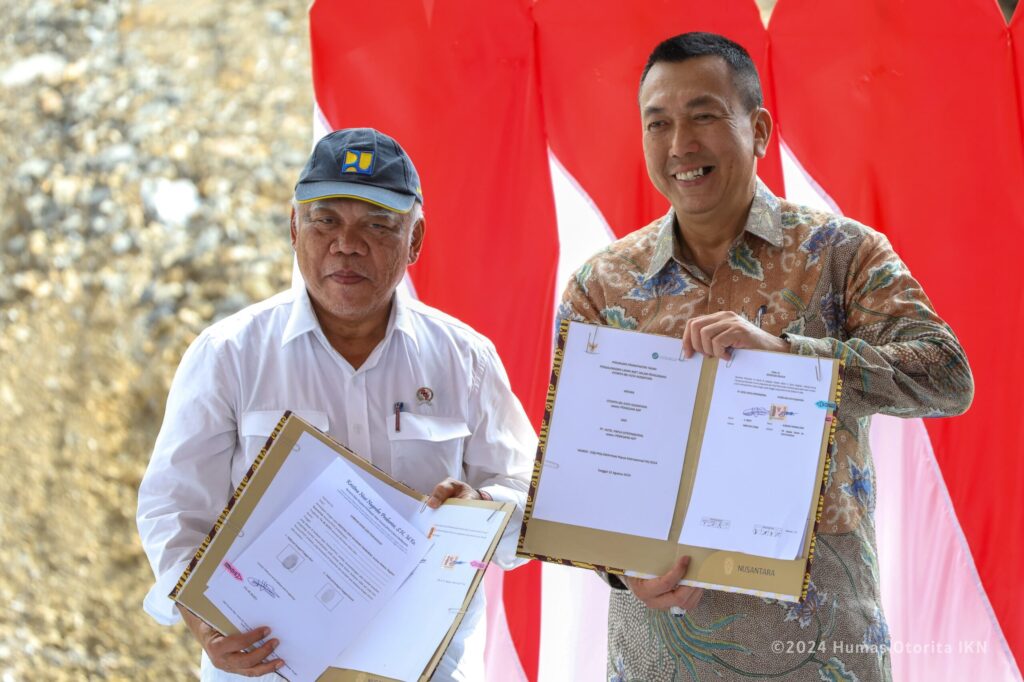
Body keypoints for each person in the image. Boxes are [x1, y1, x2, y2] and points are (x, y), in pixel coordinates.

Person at [557, 32, 973, 682]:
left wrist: (792, 356)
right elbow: (576, 481)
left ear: (758, 128)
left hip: (822, 657)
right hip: (658, 662)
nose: (679, 146)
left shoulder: (841, 254)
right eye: (657, 123)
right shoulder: (600, 285)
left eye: (703, 116)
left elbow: (949, 375)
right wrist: (619, 565)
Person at [137, 128, 535, 681]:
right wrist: (203, 620)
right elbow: (173, 509)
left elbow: (532, 497)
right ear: (293, 227)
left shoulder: (464, 359)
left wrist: (480, 507)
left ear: (415, 240)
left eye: (378, 225)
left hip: (423, 670)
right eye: (326, 220)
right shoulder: (229, 355)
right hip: (265, 670)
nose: (347, 244)